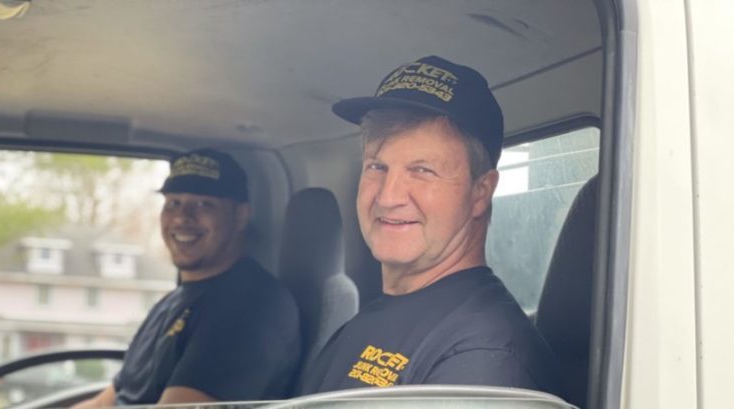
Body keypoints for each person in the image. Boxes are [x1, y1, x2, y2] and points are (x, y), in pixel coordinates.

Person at [298, 56, 565, 398]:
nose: (388, 196)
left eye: (422, 170)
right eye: (377, 166)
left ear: (480, 192)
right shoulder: (368, 320)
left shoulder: (485, 358)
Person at [74, 149, 301, 407]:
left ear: (240, 216)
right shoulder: (175, 300)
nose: (182, 217)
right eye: (173, 203)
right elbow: (110, 399)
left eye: (204, 204)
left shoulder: (250, 306)